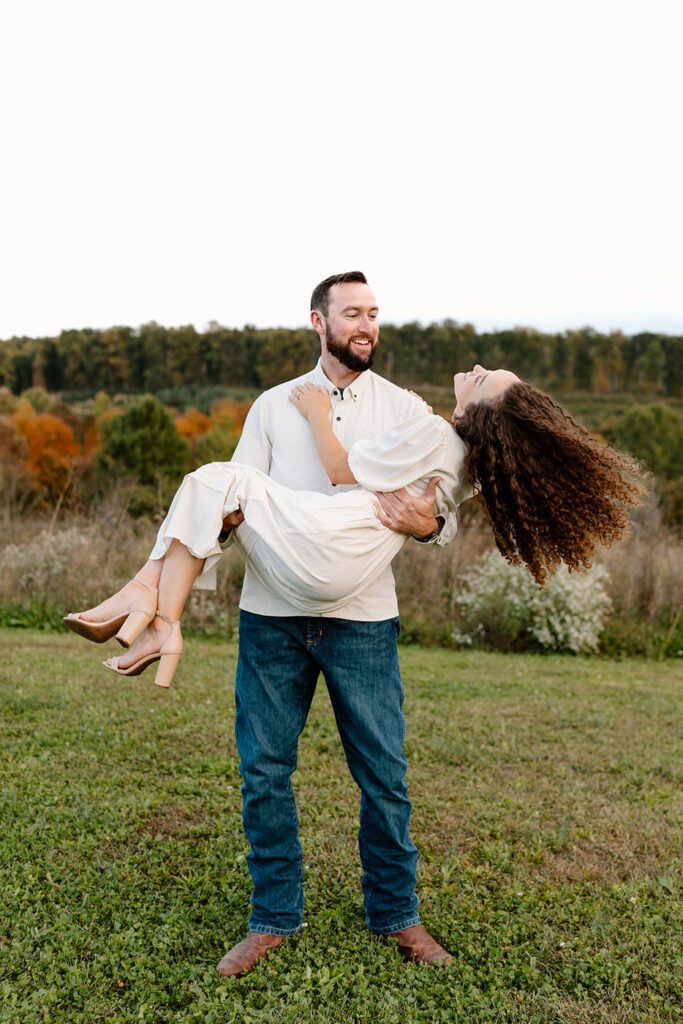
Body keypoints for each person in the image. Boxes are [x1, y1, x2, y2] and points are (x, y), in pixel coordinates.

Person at [65, 275, 643, 976]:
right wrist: (258, 506)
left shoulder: (408, 409)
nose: (367, 324)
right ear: (320, 321)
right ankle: (272, 917)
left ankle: (398, 916)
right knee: (263, 771)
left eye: (374, 313)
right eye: (354, 313)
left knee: (384, 776)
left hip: (361, 615)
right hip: (274, 611)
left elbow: (432, 514)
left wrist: (425, 523)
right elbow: (231, 510)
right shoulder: (272, 404)